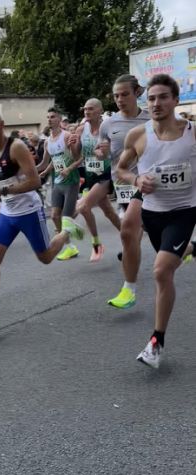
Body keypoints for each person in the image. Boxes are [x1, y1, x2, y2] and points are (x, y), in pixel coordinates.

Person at [0, 111, 84, 332]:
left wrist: (3, 191)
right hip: (8, 213)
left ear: (1, 126)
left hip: (29, 210)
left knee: (46, 257)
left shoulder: (16, 147)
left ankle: (67, 230)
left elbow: (34, 181)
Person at [115, 74, 196, 368]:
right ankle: (191, 249)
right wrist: (136, 179)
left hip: (184, 210)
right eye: (151, 98)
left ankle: (156, 342)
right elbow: (121, 169)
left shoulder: (192, 133)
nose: (156, 103)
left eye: (163, 97)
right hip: (152, 213)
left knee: (161, 271)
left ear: (175, 100)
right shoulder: (138, 135)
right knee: (167, 261)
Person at [98, 75, 150, 309]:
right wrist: (101, 152)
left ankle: (130, 279)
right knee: (131, 230)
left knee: (131, 230)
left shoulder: (150, 118)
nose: (119, 99)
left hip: (148, 183)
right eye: (116, 95)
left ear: (137, 92)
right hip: (122, 183)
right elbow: (102, 153)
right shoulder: (108, 124)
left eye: (124, 94)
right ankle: (129, 285)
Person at [69, 98, 121, 261]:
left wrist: (105, 152)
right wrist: (72, 145)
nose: (87, 111)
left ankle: (95, 244)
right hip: (90, 175)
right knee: (108, 212)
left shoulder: (108, 128)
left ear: (100, 111)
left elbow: (117, 151)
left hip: (106, 174)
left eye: (91, 108)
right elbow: (76, 156)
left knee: (83, 206)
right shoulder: (81, 129)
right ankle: (129, 236)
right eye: (85, 109)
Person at [37, 108, 83, 260]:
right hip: (57, 182)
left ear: (59, 119)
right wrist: (35, 171)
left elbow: (79, 158)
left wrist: (68, 169)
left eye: (52, 117)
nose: (49, 119)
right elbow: (47, 162)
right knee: (55, 216)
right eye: (48, 117)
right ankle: (70, 247)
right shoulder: (47, 142)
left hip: (71, 181)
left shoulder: (67, 136)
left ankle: (76, 219)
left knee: (66, 217)